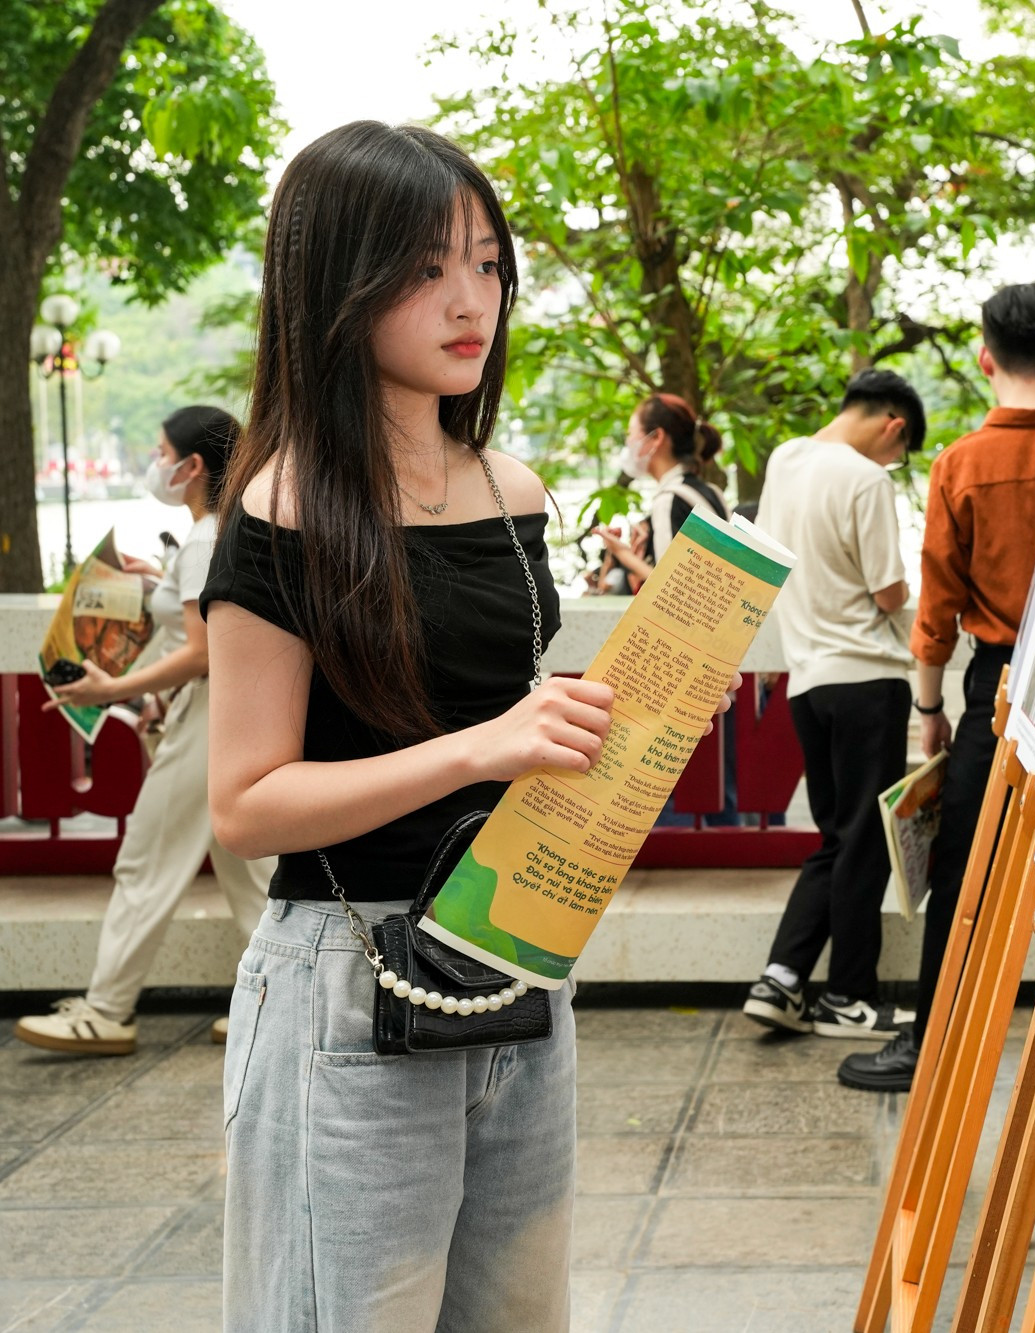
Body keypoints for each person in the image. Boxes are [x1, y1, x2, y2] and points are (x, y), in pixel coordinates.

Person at [199, 121, 732, 1330]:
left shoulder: (509, 487)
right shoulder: (280, 513)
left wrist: (613, 738)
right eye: (427, 267)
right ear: (334, 279)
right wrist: (485, 746)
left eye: (488, 264)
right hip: (349, 978)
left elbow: (503, 725)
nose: (468, 300)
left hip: (511, 956)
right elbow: (245, 804)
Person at [839, 282, 1035, 1092]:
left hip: (999, 690)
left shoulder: (961, 464)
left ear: (984, 359)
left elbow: (935, 608)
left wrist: (931, 710)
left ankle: (930, 1043)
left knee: (965, 868)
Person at [13, 407, 275, 1056]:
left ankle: (105, 1011)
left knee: (148, 860)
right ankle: (275, 1010)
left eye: (161, 452)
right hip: (239, 714)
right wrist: (154, 582)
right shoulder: (225, 531)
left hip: (210, 716)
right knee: (250, 869)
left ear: (191, 467)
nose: (154, 464)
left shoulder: (204, 537)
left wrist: (109, 690)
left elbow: (204, 649)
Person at [741, 368, 925, 1040]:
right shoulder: (867, 479)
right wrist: (904, 588)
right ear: (894, 426)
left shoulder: (787, 459)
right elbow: (886, 592)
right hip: (867, 680)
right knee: (864, 840)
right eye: (897, 454)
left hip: (807, 683)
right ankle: (848, 996)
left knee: (836, 835)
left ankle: (782, 978)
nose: (891, 463)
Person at [593, 390, 730, 586]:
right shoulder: (711, 491)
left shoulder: (669, 499)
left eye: (631, 433)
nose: (629, 442)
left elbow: (668, 588)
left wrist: (623, 554)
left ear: (656, 437)